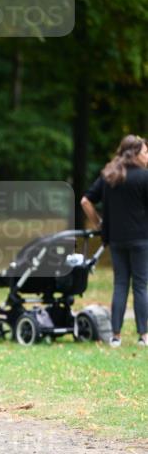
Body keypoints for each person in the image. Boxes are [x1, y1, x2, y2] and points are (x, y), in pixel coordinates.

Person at [81, 134, 148, 347]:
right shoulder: (144, 178)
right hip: (141, 239)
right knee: (140, 285)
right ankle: (144, 336)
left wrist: (99, 224)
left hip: (116, 240)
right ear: (135, 154)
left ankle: (116, 336)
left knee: (120, 285)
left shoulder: (109, 176)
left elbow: (85, 201)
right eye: (146, 152)